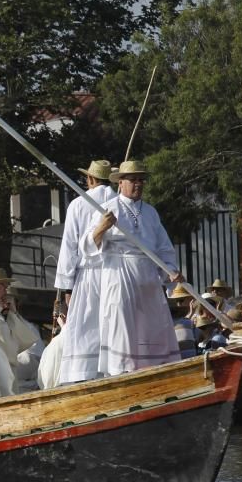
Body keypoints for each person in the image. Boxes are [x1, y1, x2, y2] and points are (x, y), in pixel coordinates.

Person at [83, 160, 182, 375]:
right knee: (123, 327)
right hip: (120, 275)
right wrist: (102, 227)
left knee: (154, 328)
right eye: (132, 179)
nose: (138, 184)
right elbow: (86, 246)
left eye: (141, 180)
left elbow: (164, 248)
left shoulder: (151, 212)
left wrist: (170, 270)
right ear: (120, 182)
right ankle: (122, 373)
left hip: (147, 278)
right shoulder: (108, 209)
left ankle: (157, 372)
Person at [55, 159, 116, 383]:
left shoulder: (78, 205)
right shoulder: (119, 201)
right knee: (112, 323)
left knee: (85, 326)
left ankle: (84, 376)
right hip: (115, 273)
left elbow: (69, 248)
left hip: (88, 274)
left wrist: (66, 287)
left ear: (90, 179)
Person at [169, 283, 200, 359]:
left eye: (181, 300)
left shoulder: (189, 320)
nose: (178, 304)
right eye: (177, 301)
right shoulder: (186, 322)